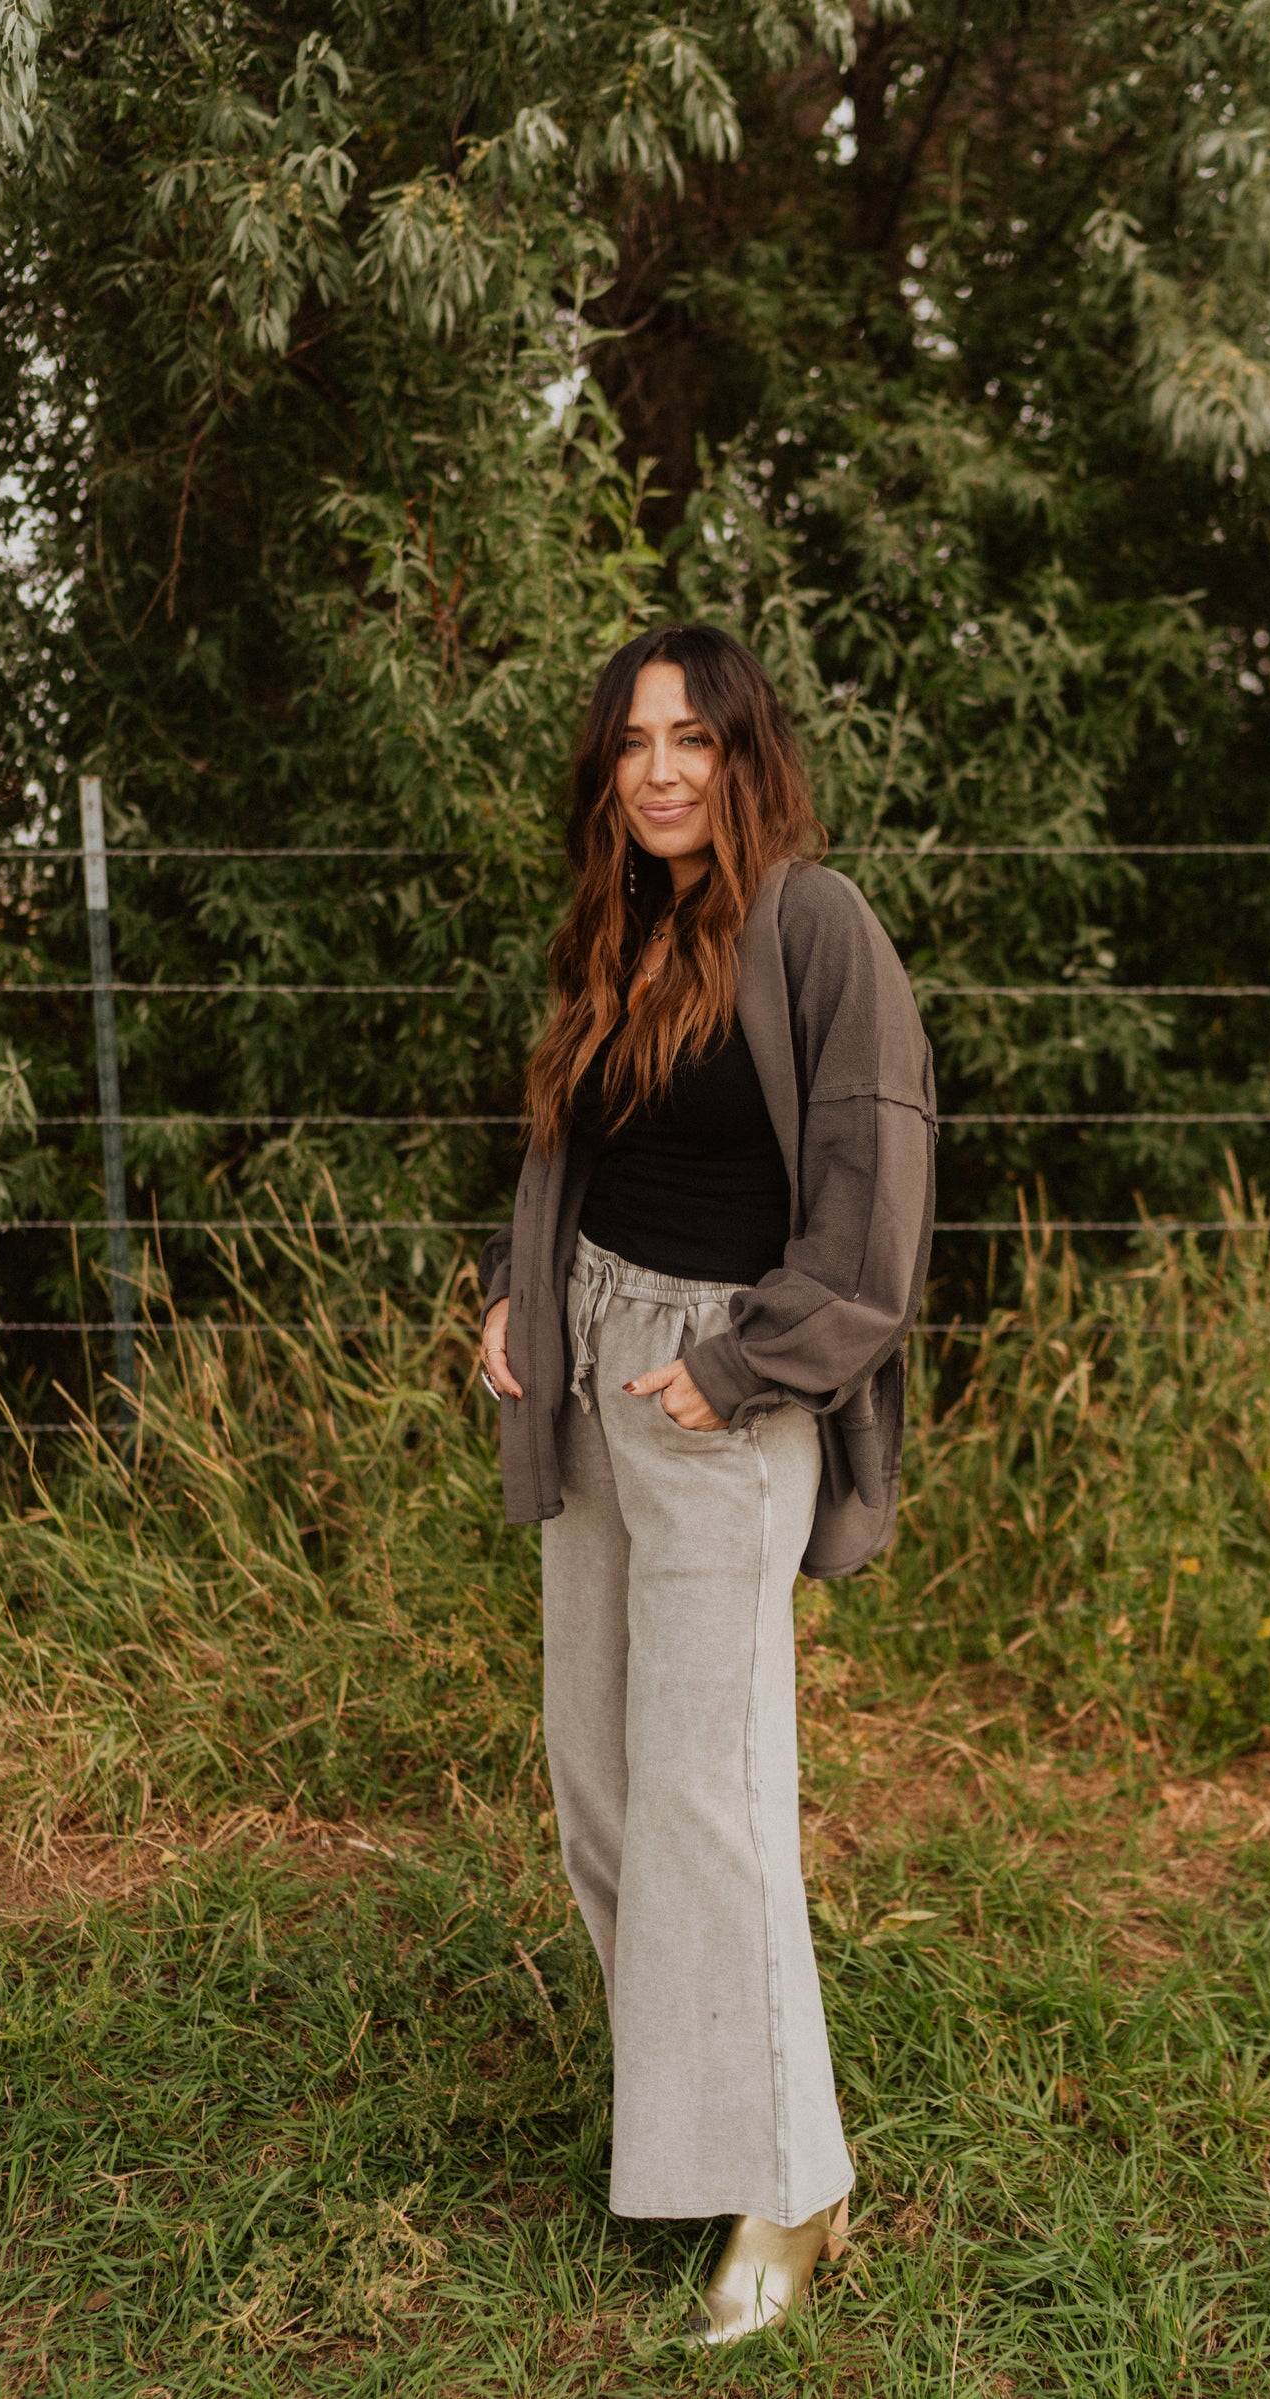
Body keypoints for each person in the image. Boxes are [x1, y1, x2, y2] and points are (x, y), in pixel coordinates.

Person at [477, 622, 936, 2344]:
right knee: (598, 1780)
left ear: (750, 755)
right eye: (633, 742)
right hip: (594, 1367)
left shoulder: (816, 926)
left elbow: (874, 1203)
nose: (661, 770)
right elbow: (573, 1154)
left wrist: (741, 1366)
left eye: (693, 738)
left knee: (708, 1789)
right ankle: (689, 2123)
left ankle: (791, 2178)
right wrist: (518, 1293)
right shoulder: (617, 922)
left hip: (722, 1391)